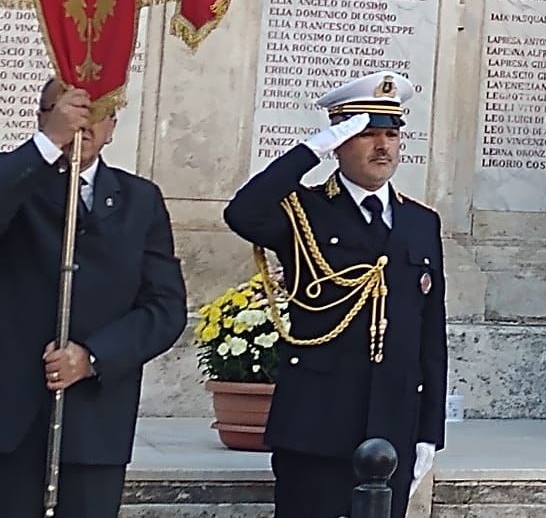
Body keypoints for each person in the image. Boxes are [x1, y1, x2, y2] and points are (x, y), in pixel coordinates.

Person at [224, 73, 446, 518]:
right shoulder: (303, 210)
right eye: (366, 134)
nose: (383, 146)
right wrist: (311, 150)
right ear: (340, 141)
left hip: (391, 427)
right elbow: (242, 212)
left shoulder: (421, 222)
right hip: (316, 424)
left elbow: (430, 334)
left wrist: (429, 431)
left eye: (391, 134)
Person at [0, 80, 185, 518]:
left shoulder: (140, 200)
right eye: (65, 110)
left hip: (94, 424)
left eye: (94, 112)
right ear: (43, 116)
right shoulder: (17, 183)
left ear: (113, 125)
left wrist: (94, 357)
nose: (82, 124)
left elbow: (164, 307)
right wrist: (49, 143)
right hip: (11, 424)